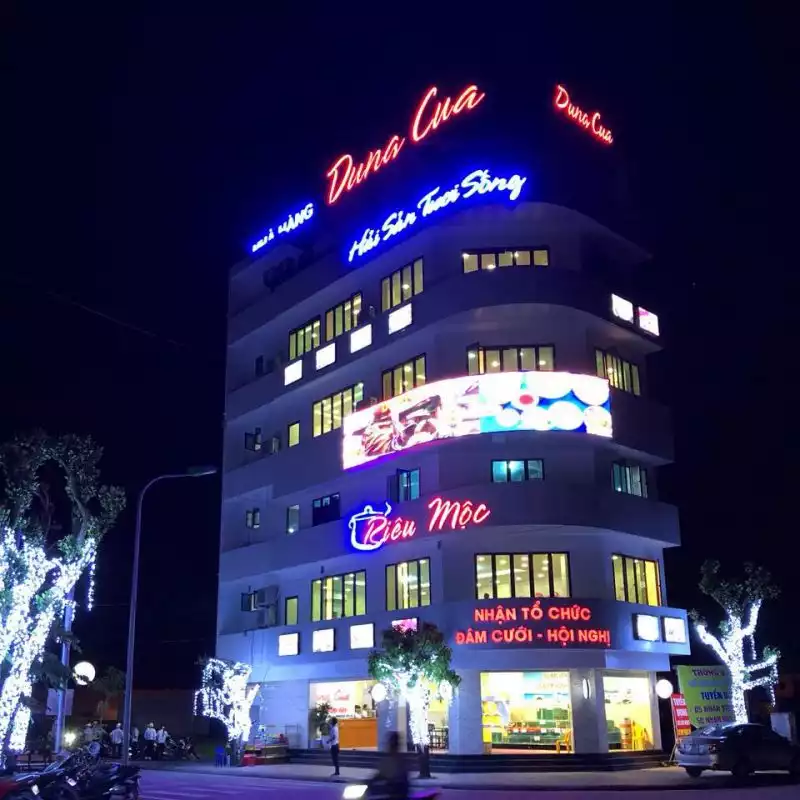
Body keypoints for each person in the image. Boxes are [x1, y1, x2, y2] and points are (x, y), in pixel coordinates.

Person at [371, 731, 409, 799]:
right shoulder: (388, 760)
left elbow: (401, 779)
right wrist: (370, 781)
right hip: (390, 793)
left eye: (391, 745)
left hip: (398, 795)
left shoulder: (400, 761)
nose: (389, 747)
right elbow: (381, 774)